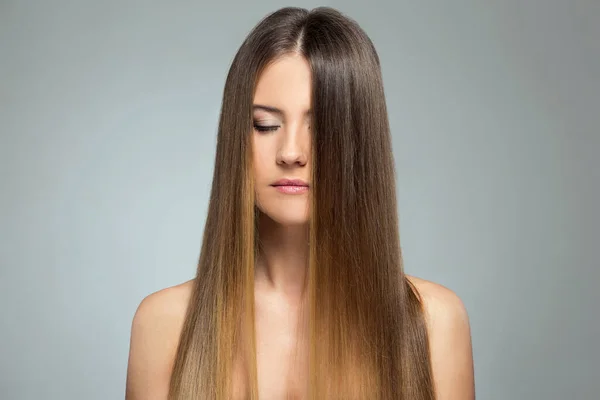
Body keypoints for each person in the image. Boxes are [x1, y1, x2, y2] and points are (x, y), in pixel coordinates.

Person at [125, 6, 474, 400]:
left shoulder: (434, 324)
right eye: (265, 125)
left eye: (322, 126)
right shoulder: (164, 325)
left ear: (360, 142)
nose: (291, 152)